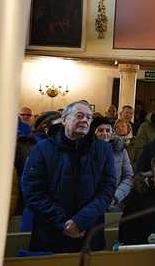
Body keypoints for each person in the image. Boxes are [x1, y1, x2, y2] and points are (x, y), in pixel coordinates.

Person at [21, 100, 116, 253]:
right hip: (50, 232)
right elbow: (32, 191)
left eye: (89, 117)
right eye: (79, 116)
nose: (85, 120)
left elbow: (107, 189)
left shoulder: (103, 149)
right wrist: (64, 222)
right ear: (64, 119)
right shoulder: (42, 149)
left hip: (89, 232)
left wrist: (80, 221)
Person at [91, 117, 134, 210]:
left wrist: (115, 197)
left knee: (111, 224)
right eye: (100, 130)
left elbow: (128, 177)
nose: (105, 134)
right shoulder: (87, 151)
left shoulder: (120, 151)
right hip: (91, 202)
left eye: (107, 130)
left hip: (113, 202)